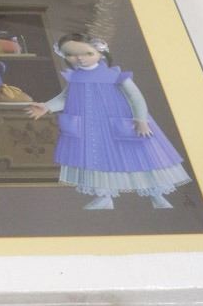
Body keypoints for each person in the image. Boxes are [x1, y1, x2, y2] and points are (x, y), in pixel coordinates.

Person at [25, 32, 191, 210]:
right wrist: (47, 107)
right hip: (89, 127)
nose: (79, 58)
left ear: (101, 53)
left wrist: (141, 120)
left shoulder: (115, 75)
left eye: (87, 53)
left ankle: (156, 194)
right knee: (95, 157)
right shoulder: (75, 77)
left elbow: (136, 97)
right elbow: (65, 98)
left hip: (119, 122)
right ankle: (104, 196)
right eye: (70, 54)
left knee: (138, 156)